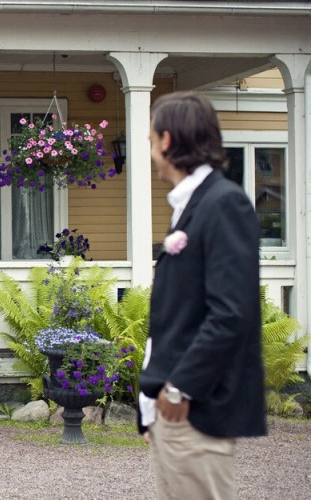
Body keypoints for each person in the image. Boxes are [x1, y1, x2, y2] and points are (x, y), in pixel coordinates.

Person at [139, 91, 266, 499]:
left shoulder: (224, 203)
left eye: (151, 140)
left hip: (196, 410)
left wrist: (179, 390)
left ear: (167, 140)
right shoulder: (190, 205)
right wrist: (152, 404)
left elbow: (230, 313)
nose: (150, 152)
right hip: (171, 411)